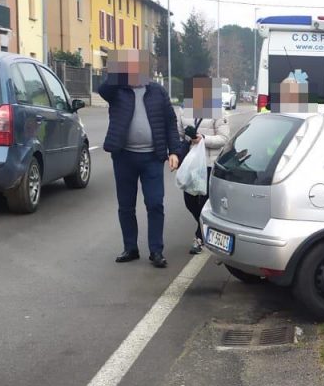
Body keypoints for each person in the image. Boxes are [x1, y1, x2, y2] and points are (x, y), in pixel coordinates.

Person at [99, 48, 183, 268]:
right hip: (123, 157)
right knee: (126, 206)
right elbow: (103, 89)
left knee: (155, 204)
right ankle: (130, 248)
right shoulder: (117, 90)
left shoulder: (158, 92)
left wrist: (175, 151)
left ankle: (156, 251)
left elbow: (170, 122)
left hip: (152, 158)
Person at [176, 76, 231, 254]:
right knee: (190, 201)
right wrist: (187, 140)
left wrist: (203, 139)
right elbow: (179, 135)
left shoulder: (218, 111)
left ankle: (200, 236)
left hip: (209, 163)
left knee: (205, 201)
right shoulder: (184, 112)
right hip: (191, 164)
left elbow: (224, 138)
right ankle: (205, 227)